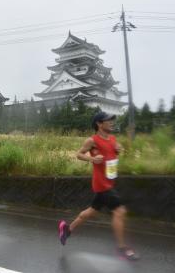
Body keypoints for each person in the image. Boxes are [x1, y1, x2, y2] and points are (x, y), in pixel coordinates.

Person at [57, 112, 139, 261]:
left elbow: (111, 157)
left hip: (109, 182)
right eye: (109, 120)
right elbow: (79, 154)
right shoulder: (92, 140)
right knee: (120, 211)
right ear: (99, 124)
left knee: (91, 212)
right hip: (102, 184)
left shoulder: (113, 139)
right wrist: (92, 158)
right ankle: (121, 249)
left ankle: (67, 229)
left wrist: (117, 151)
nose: (112, 123)